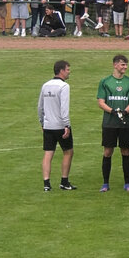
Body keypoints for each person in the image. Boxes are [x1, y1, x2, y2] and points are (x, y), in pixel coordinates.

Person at [97, 54, 129, 192]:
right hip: (109, 123)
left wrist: (125, 112)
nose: (125, 67)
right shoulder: (105, 81)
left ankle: (127, 183)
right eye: (122, 64)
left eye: (126, 64)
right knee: (108, 151)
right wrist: (112, 111)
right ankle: (105, 183)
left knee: (125, 151)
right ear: (115, 65)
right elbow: (101, 102)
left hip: (126, 123)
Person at [38, 60, 75, 192]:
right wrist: (67, 125)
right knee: (68, 152)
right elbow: (64, 107)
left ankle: (46, 183)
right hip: (60, 125)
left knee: (48, 153)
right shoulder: (64, 87)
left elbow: (40, 107)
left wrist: (42, 122)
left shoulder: (45, 85)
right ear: (61, 71)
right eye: (68, 69)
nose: (69, 72)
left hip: (48, 126)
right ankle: (64, 181)